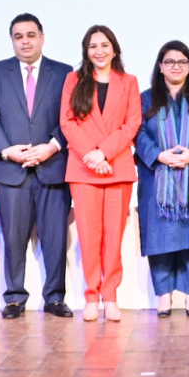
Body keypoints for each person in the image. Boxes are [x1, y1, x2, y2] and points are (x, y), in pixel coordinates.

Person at [0, 13, 74, 320]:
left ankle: (56, 297)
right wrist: (9, 150)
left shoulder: (63, 73)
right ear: (12, 40)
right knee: (13, 238)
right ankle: (14, 297)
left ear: (42, 38)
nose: (25, 41)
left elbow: (70, 118)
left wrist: (52, 146)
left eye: (31, 35)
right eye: (18, 36)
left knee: (55, 238)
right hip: (11, 172)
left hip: (53, 168)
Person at [136, 41, 189, 317]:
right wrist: (159, 155)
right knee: (160, 238)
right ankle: (163, 296)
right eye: (170, 61)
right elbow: (137, 131)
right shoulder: (146, 98)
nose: (176, 66)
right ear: (160, 66)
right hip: (157, 179)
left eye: (182, 62)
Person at [60, 25, 141, 322]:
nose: (99, 51)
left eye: (105, 45)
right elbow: (68, 123)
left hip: (116, 168)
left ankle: (110, 296)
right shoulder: (74, 80)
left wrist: (104, 153)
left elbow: (131, 124)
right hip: (84, 170)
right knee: (89, 236)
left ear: (115, 49)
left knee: (113, 237)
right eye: (93, 46)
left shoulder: (128, 82)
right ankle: (91, 296)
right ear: (86, 51)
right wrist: (92, 157)